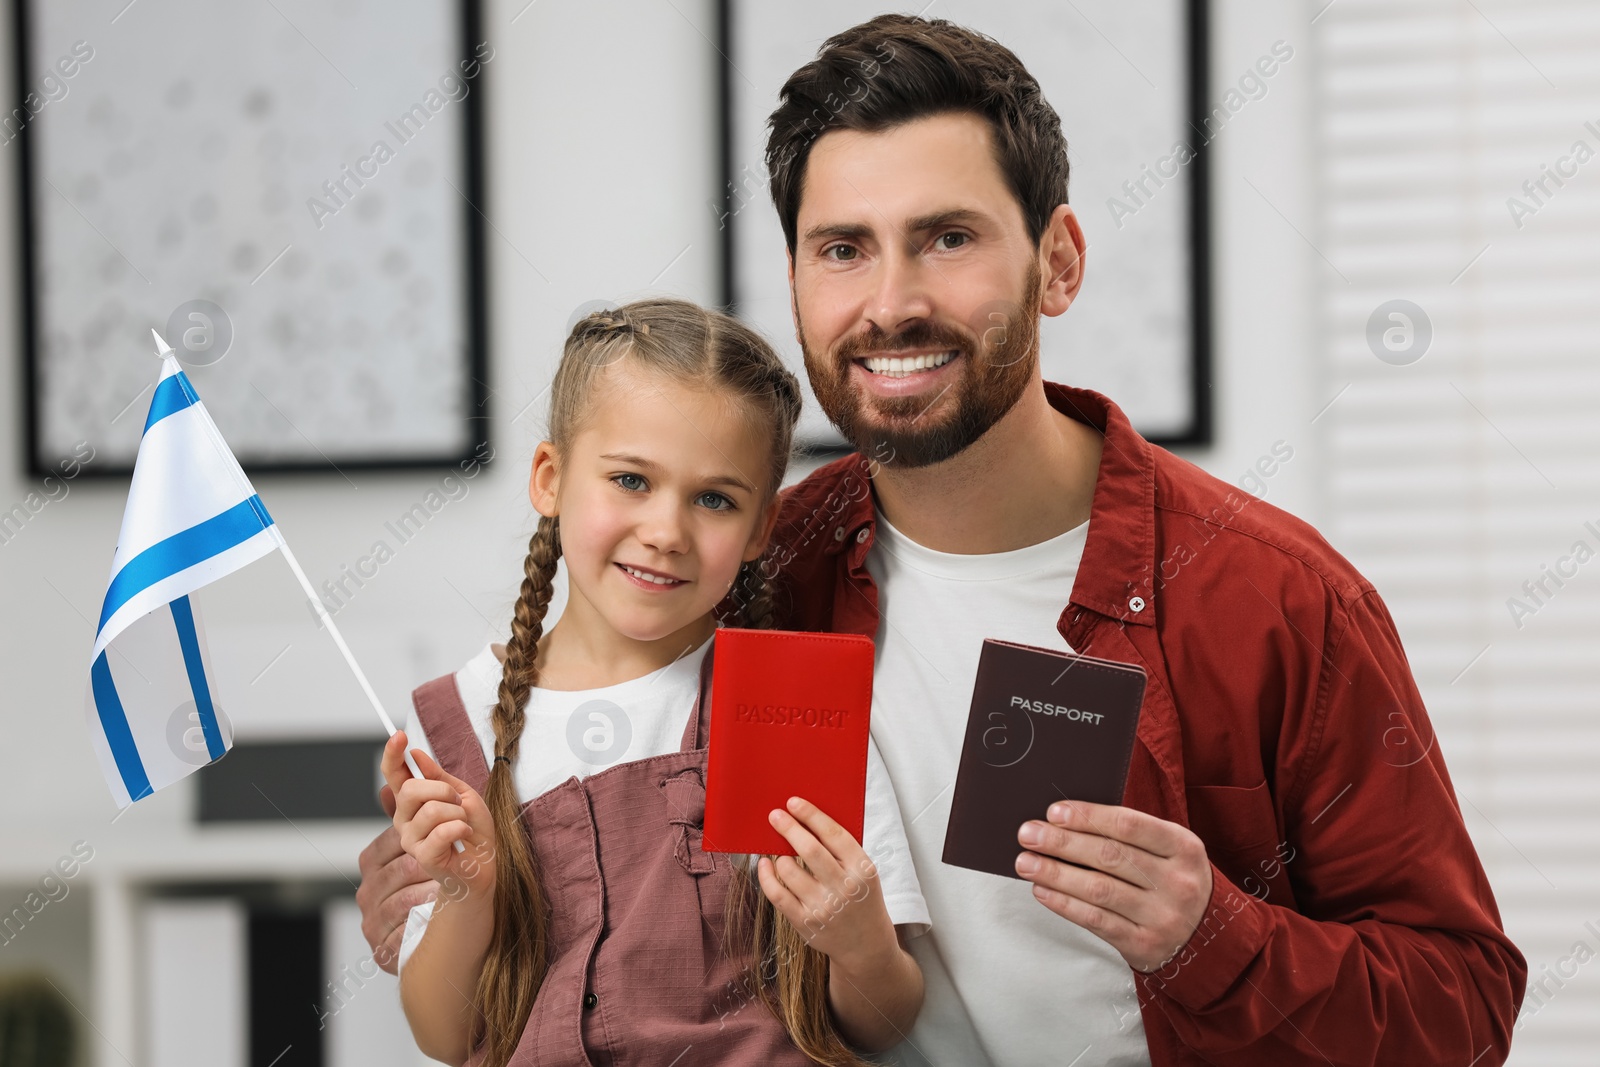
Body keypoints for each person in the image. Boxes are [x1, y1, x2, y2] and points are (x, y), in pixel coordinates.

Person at [361, 16, 1526, 1066]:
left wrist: (1210, 935)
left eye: (948, 237)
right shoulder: (764, 561)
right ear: (797, 283)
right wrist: (446, 888)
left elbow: (1466, 1005)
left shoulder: (1271, 596)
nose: (891, 302)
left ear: (1057, 261)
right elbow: (589, 817)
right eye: (843, 248)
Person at [378, 298, 927, 1067]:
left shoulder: (794, 706)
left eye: (714, 499)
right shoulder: (458, 718)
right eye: (631, 479)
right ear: (549, 477)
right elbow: (445, 1035)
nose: (667, 530)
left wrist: (862, 945)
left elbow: (883, 1020)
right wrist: (469, 894)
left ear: (760, 528)